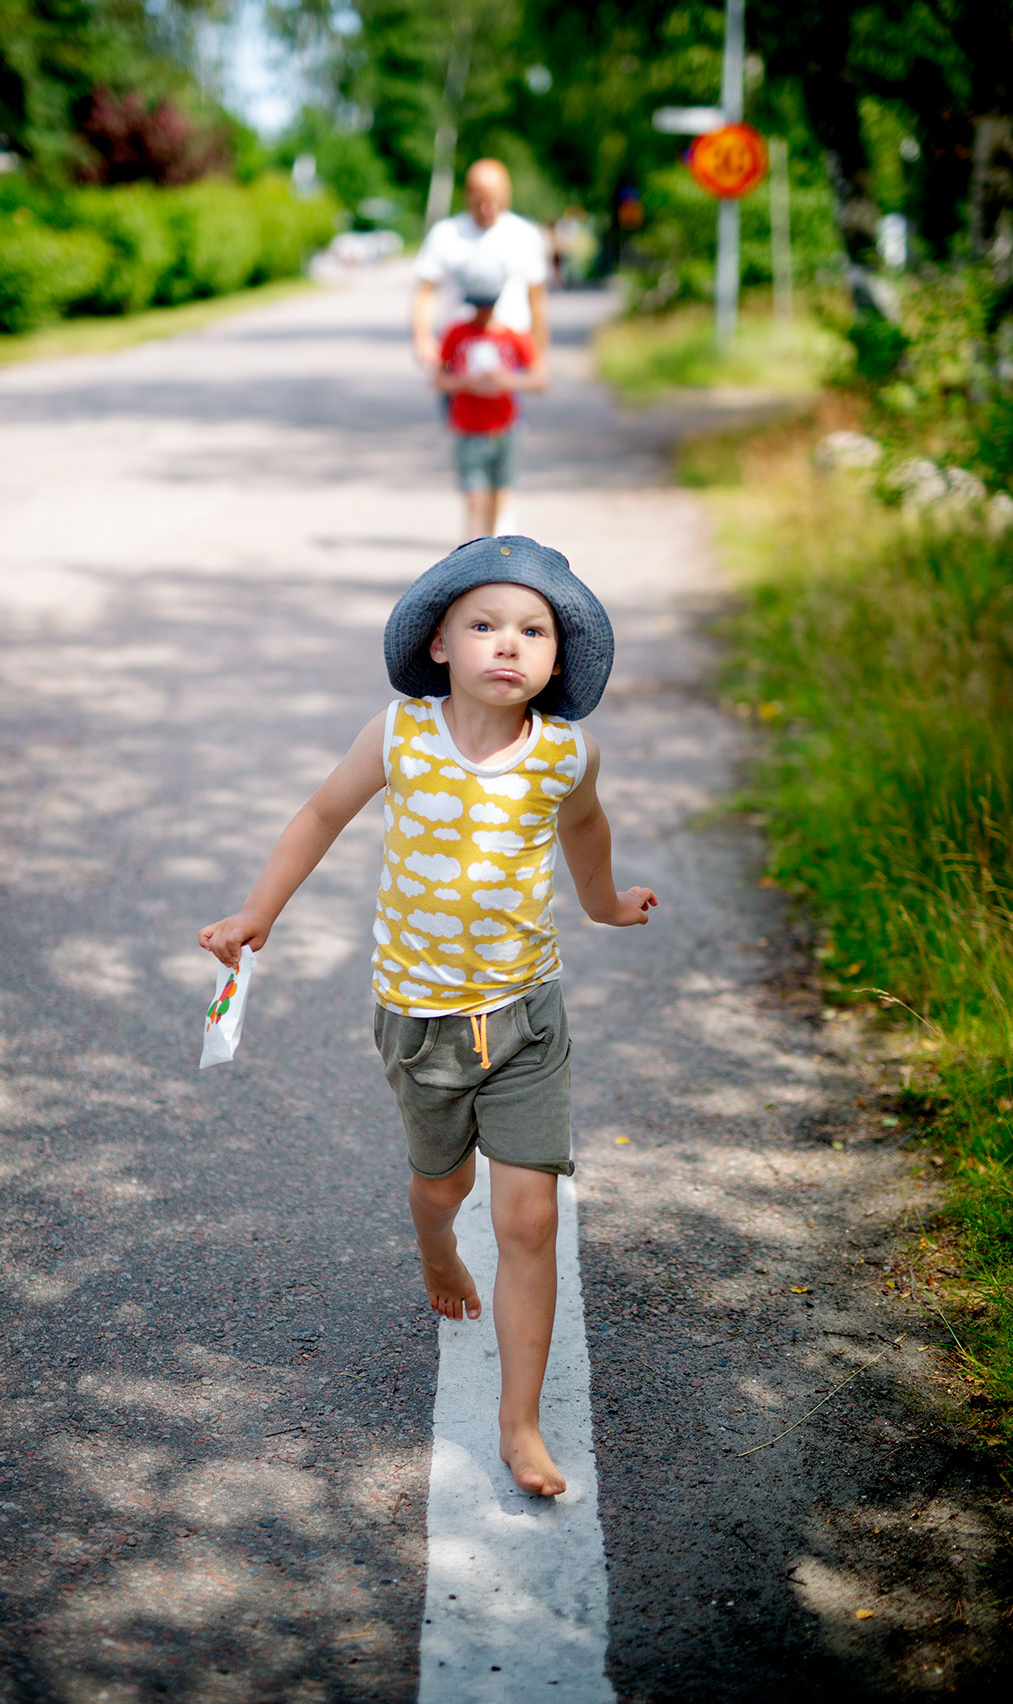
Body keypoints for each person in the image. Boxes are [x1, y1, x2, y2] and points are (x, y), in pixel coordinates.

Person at [198, 536, 657, 1498]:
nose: (507, 645)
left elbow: (588, 831)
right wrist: (257, 912)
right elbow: (321, 815)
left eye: (532, 631)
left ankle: (520, 1422)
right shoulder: (401, 735)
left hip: (526, 1014)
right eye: (483, 625)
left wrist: (605, 903)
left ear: (557, 660)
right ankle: (436, 1244)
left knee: (527, 1215)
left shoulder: (567, 753)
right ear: (439, 645)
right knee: (443, 1190)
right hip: (421, 1022)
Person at [435, 263, 546, 542]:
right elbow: (439, 379)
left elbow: (540, 379)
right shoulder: (456, 333)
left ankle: (494, 554)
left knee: (500, 496)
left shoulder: (511, 336)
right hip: (468, 427)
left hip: (504, 427)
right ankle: (472, 553)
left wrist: (506, 381)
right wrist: (464, 382)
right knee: (475, 499)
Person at [411, 159, 549, 372]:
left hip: (511, 354)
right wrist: (423, 340)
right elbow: (424, 293)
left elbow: (537, 296)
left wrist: (539, 351)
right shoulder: (445, 234)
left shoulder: (525, 235)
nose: (486, 209)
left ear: (507, 195)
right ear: (467, 195)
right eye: (479, 201)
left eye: (493, 201)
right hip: (457, 351)